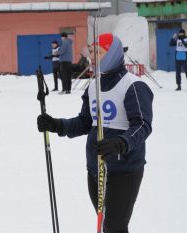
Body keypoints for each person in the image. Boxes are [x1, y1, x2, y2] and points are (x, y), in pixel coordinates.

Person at [37, 33, 153, 233]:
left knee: (114, 226)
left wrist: (121, 143)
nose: (92, 56)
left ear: (114, 53)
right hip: (95, 169)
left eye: (98, 52)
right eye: (91, 51)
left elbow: (142, 125)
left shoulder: (133, 84)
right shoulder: (93, 86)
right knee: (106, 224)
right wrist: (57, 125)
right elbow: (85, 122)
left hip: (123, 170)